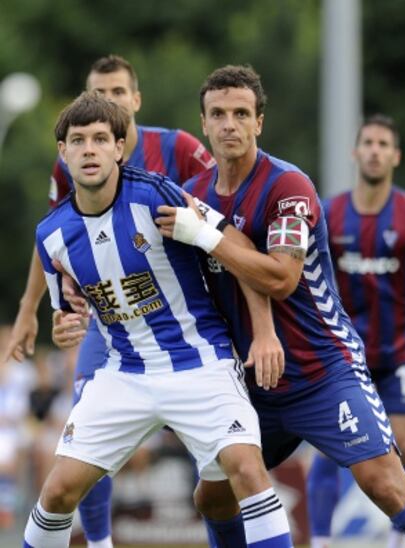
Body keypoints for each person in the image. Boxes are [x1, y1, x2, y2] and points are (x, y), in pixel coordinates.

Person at [153, 65, 405, 547]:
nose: (229, 123)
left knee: (385, 483)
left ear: (259, 122)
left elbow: (281, 277)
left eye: (241, 113)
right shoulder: (200, 197)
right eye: (218, 114)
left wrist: (207, 237)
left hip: (322, 370)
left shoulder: (287, 186)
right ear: (204, 123)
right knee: (213, 498)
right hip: (252, 383)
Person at [23, 91, 292, 548]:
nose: (89, 149)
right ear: (62, 152)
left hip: (200, 363)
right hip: (123, 373)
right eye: (78, 140)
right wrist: (62, 325)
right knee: (57, 491)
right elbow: (66, 314)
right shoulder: (51, 236)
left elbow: (241, 250)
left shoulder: (156, 194)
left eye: (100, 139)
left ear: (119, 148)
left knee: (247, 470)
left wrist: (263, 332)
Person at [6, 54, 215, 548]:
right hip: (112, 318)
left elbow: (217, 214)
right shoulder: (74, 162)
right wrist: (29, 311)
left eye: (117, 93)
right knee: (85, 424)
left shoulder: (178, 149)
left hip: (186, 320)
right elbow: (53, 241)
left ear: (135, 100)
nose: (107, 102)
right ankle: (100, 543)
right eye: (97, 94)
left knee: (230, 458)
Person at [306, 114, 405, 548]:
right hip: (342, 357)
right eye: (367, 142)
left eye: (383, 144)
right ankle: (320, 541)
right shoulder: (329, 214)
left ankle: (397, 539)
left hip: (398, 352)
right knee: (332, 448)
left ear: (395, 156)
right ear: (355, 152)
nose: (374, 150)